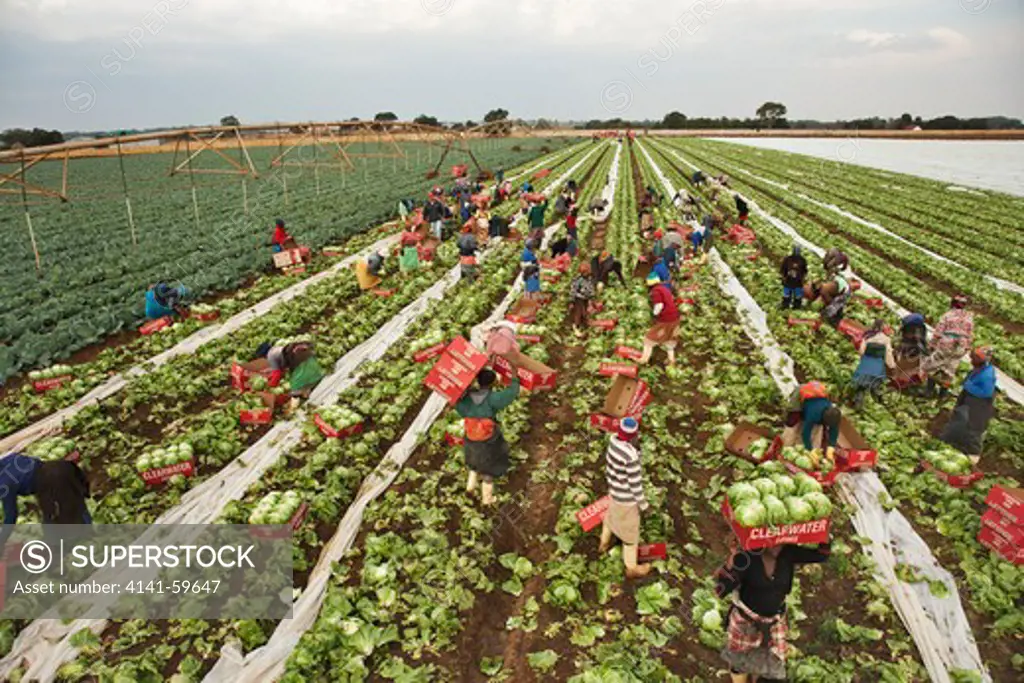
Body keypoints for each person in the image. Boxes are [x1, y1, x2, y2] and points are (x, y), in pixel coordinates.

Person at [714, 541, 831, 683]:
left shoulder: (789, 552)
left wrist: (822, 535)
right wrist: (732, 559)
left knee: (772, 670)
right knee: (740, 665)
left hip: (774, 624)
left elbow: (821, 556)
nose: (777, 546)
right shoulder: (747, 556)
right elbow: (721, 590)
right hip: (746, 623)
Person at [456, 366, 521, 506]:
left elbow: (459, 407)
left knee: (473, 459)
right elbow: (512, 393)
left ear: (478, 382)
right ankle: (487, 500)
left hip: (471, 436)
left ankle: (470, 487)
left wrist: (465, 388)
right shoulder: (493, 398)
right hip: (488, 439)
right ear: (492, 383)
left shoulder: (466, 398)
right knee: (489, 468)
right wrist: (514, 377)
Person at [598, 417, 652, 580]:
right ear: (634, 436)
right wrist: (644, 505)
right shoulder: (631, 457)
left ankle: (603, 544)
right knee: (630, 536)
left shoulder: (613, 443)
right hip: (627, 500)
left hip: (614, 492)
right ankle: (632, 567)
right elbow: (635, 485)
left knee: (610, 518)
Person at [0, 454, 91, 546]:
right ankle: (89, 533)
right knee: (78, 504)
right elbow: (35, 462)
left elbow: (11, 516)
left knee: (53, 521)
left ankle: (61, 548)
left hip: (51, 481)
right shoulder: (9, 458)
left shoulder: (3, 484)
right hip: (62, 467)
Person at [939, 346, 997, 464]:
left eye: (975, 358)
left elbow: (986, 392)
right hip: (968, 401)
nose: (971, 359)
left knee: (973, 429)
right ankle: (945, 442)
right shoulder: (979, 369)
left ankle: (973, 457)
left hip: (978, 405)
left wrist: (968, 386)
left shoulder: (987, 375)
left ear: (983, 360)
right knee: (957, 422)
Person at [920, 295, 974, 398]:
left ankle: (929, 391)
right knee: (950, 370)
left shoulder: (948, 315)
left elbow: (938, 332)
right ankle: (943, 394)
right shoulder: (969, 317)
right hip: (959, 348)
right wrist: (966, 348)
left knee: (934, 366)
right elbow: (970, 334)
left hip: (946, 345)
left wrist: (932, 345)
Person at [783, 381, 842, 458]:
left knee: (817, 429)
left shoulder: (835, 415)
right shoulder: (814, 414)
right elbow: (805, 434)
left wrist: (831, 447)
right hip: (802, 393)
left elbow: (834, 431)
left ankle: (809, 451)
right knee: (793, 422)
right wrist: (810, 450)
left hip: (817, 397)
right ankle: (786, 448)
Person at [851, 319, 896, 409]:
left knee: (861, 386)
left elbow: (861, 351)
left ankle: (858, 403)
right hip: (878, 365)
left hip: (866, 363)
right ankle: (878, 403)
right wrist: (892, 366)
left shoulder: (867, 337)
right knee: (875, 385)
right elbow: (888, 354)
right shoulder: (886, 339)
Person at [256, 340, 325, 398]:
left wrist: (269, 387)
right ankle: (314, 379)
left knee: (295, 387)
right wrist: (269, 372)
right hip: (305, 356)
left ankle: (307, 388)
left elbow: (277, 374)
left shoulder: (270, 356)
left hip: (299, 361)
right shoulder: (275, 349)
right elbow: (279, 367)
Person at [639, 274, 680, 366]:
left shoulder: (656, 291)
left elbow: (659, 305)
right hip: (675, 318)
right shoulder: (664, 288)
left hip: (666, 319)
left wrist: (654, 314)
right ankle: (671, 360)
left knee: (649, 338)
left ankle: (644, 359)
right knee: (669, 338)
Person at [569, 262, 595, 334]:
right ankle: (576, 326)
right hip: (579, 299)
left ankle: (584, 327)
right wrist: (572, 301)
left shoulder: (589, 279)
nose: (585, 274)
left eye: (586, 272)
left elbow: (591, 289)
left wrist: (591, 297)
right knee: (579, 313)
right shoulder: (578, 280)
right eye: (583, 272)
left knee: (585, 313)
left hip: (586, 299)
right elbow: (573, 290)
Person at [779, 245, 808, 310]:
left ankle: (796, 308)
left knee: (798, 297)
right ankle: (785, 308)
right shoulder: (788, 259)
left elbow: (805, 271)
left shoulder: (802, 260)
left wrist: (803, 278)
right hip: (788, 281)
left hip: (798, 282)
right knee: (786, 296)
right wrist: (783, 276)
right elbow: (783, 269)